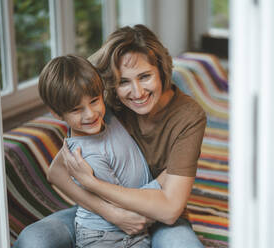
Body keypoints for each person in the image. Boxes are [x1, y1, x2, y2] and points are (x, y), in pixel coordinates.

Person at [13, 24, 206, 248]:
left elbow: (171, 210)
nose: (137, 92)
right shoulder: (104, 102)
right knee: (33, 240)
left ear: (161, 70)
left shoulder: (188, 116)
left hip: (161, 216)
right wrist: (112, 214)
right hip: (102, 219)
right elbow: (57, 173)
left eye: (145, 76)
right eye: (124, 81)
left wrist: (91, 183)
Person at [36, 54, 160, 248]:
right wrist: (164, 186)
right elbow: (121, 202)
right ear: (57, 114)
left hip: (132, 229)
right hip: (105, 236)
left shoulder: (107, 116)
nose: (90, 114)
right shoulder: (85, 155)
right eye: (77, 110)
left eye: (94, 101)